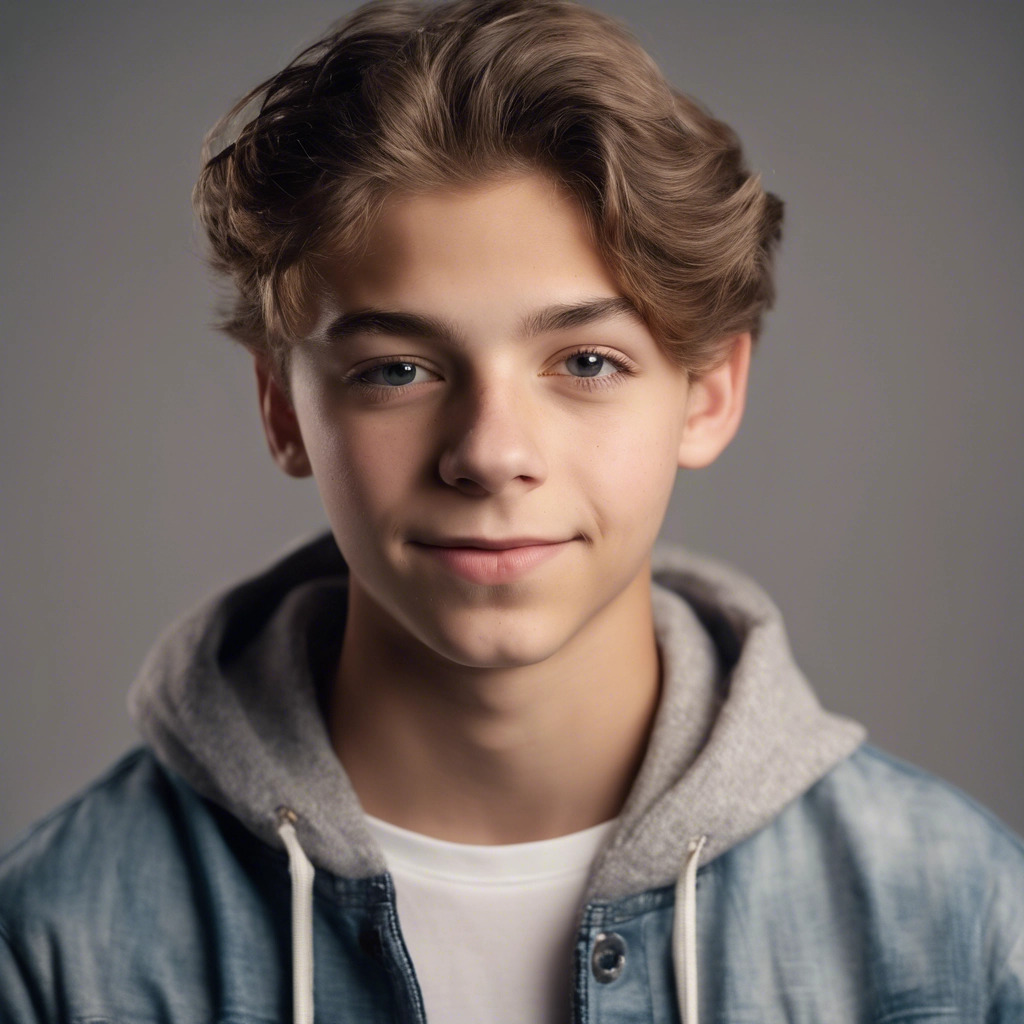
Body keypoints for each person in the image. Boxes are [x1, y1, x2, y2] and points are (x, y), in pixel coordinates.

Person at [1, 0, 1021, 1020]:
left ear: (707, 393)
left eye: (585, 362)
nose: (490, 454)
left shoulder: (956, 919)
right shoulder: (58, 945)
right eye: (396, 369)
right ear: (283, 408)